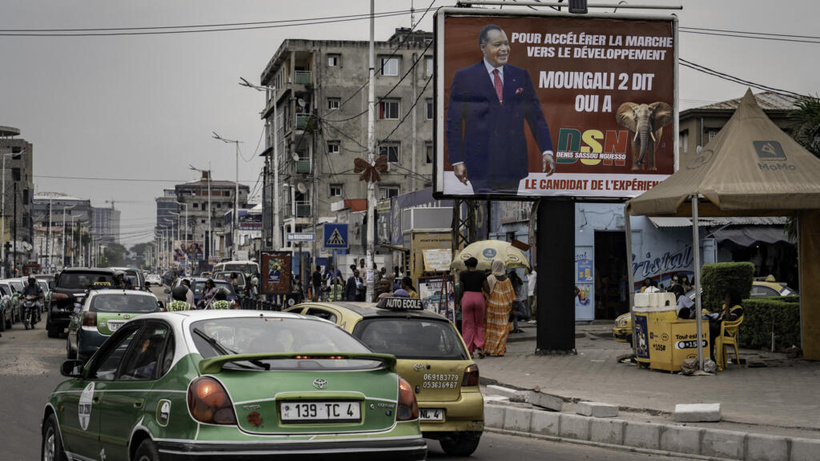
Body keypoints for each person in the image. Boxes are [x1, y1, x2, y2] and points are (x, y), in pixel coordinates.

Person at [446, 24, 555, 195]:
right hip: (480, 166)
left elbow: (536, 117)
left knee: (505, 214)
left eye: (506, 43)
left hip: (512, 165)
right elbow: (454, 123)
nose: (504, 49)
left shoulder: (520, 76)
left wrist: (547, 151)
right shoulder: (465, 77)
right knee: (485, 217)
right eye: (497, 45)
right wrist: (457, 161)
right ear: (483, 48)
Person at [457, 257, 490, 358]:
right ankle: (480, 348)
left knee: (467, 325)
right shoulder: (481, 274)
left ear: (467, 265)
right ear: (476, 265)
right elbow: (487, 289)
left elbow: (461, 289)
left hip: (467, 298)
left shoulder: (463, 274)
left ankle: (469, 351)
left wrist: (458, 302)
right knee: (479, 324)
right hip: (479, 298)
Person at [483, 259, 515, 356]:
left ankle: (488, 349)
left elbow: (485, 291)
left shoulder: (490, 278)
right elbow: (511, 296)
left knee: (490, 329)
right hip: (504, 308)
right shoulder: (507, 280)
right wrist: (512, 309)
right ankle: (500, 350)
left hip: (491, 307)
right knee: (502, 329)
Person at [709, 288, 744, 358]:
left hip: (727, 330)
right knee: (706, 330)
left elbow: (728, 319)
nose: (725, 299)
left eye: (727, 297)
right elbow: (719, 317)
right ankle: (710, 355)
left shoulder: (738, 308)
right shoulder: (725, 307)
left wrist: (727, 305)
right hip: (719, 326)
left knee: (709, 332)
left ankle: (711, 356)